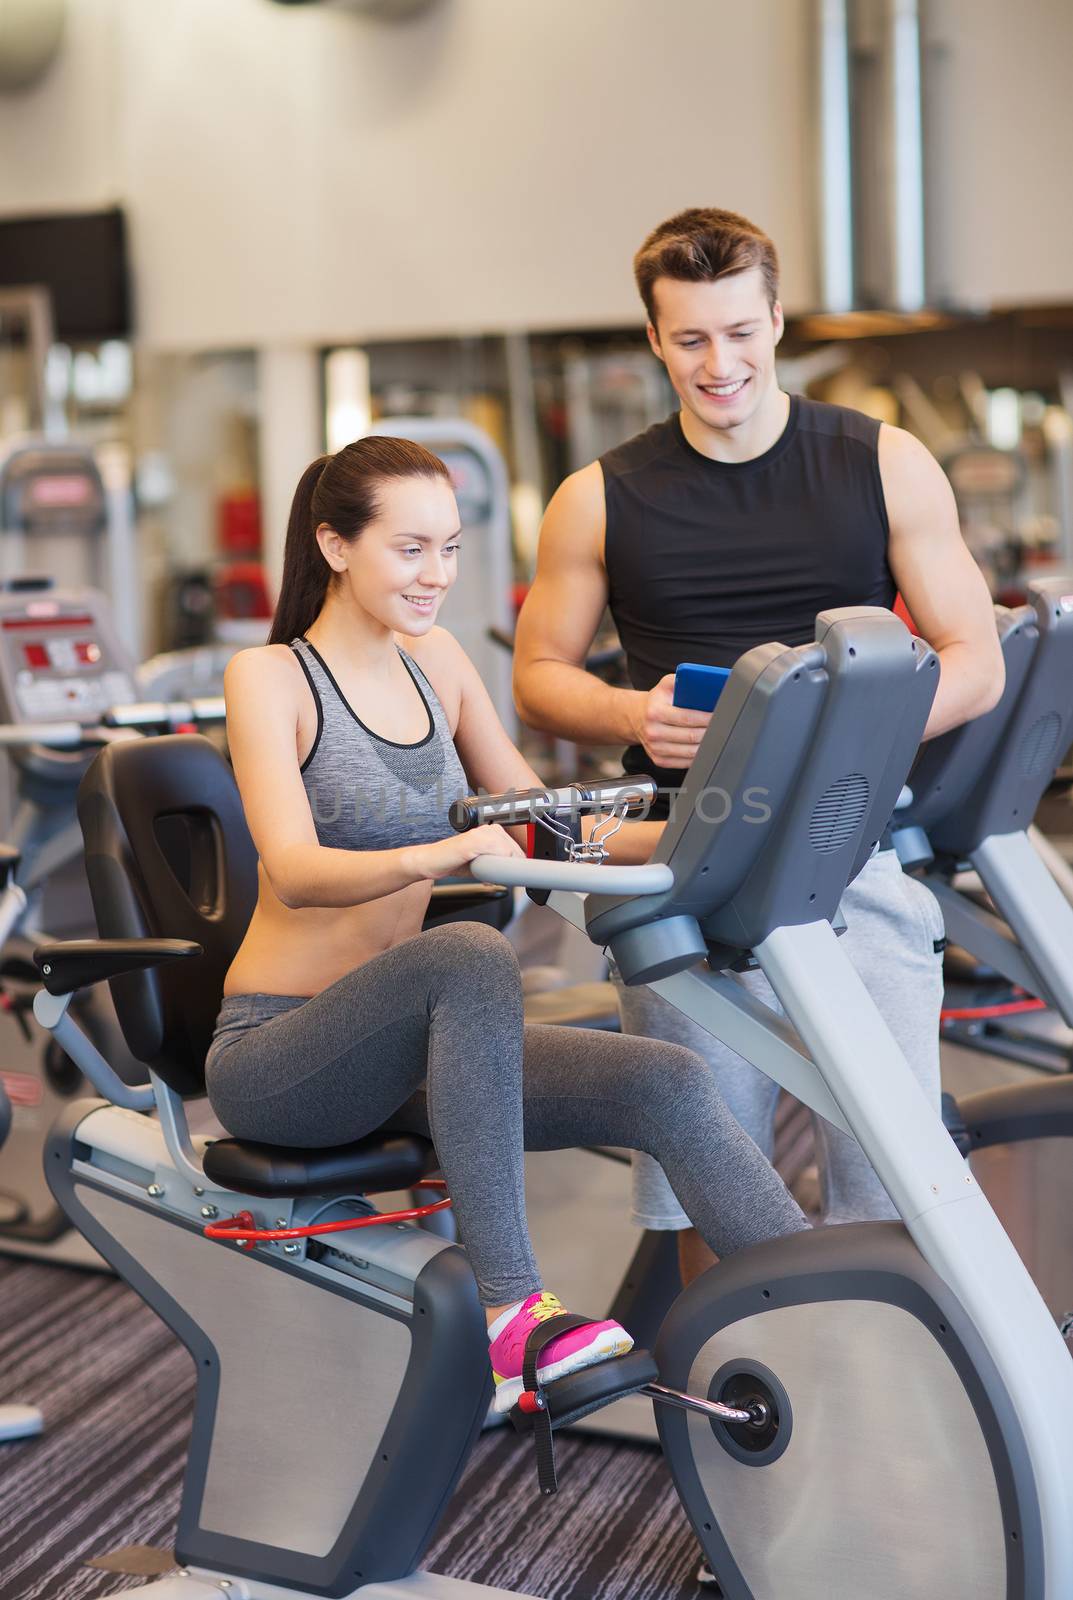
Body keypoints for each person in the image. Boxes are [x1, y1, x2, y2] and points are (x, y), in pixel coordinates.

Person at [206, 434, 809, 1415]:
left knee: (668, 1078)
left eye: (448, 547)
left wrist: (716, 832)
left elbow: (541, 821)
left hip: (408, 1056)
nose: (436, 574)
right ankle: (511, 1316)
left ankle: (835, 1310)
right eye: (410, 549)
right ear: (333, 543)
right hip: (282, 1057)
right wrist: (437, 853)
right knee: (470, 952)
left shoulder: (436, 661)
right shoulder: (270, 676)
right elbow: (296, 870)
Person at [513, 206, 1006, 1284]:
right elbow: (537, 674)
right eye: (689, 339)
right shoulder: (595, 498)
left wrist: (841, 731)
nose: (718, 363)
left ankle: (886, 1389)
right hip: (686, 865)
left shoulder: (881, 461)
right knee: (712, 1171)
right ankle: (736, 1413)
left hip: (848, 854)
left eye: (739, 332)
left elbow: (974, 658)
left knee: (889, 1167)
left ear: (775, 319)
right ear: (653, 339)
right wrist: (628, 713)